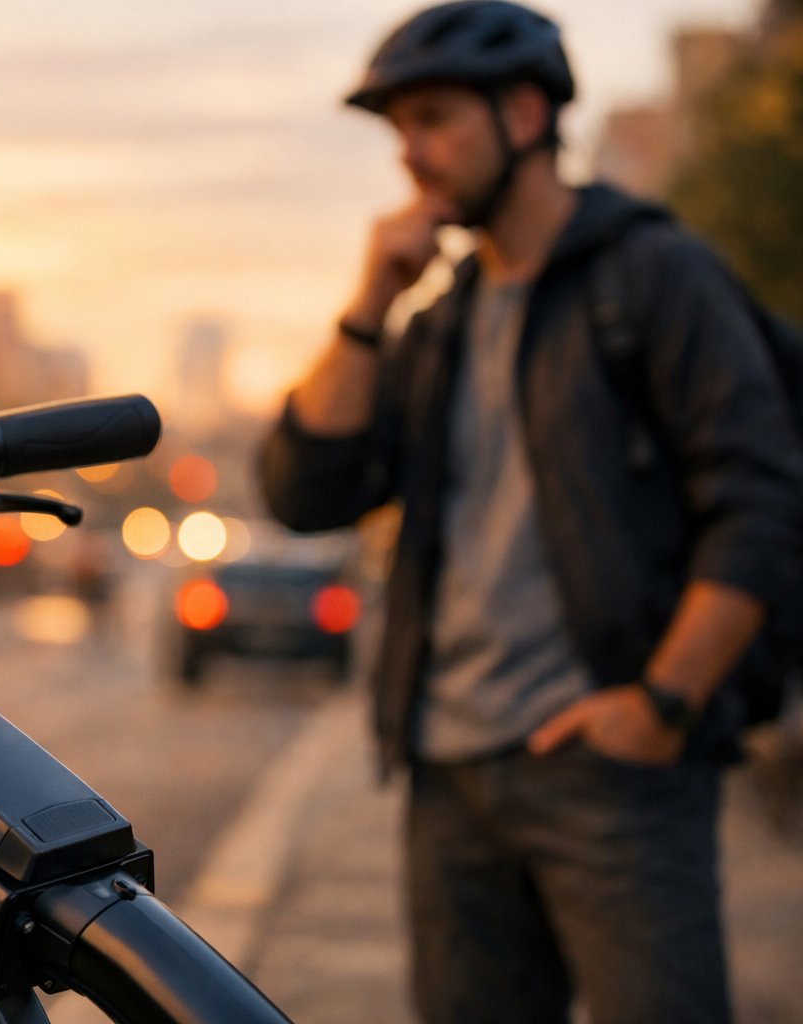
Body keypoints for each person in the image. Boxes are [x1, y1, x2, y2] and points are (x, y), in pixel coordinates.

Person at [257, 3, 803, 1022]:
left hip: (614, 771)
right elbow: (304, 491)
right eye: (398, 132)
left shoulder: (653, 275)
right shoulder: (439, 323)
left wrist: (662, 706)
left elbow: (762, 500)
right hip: (449, 778)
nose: (411, 157)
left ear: (524, 113)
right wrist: (368, 302)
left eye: (433, 120)